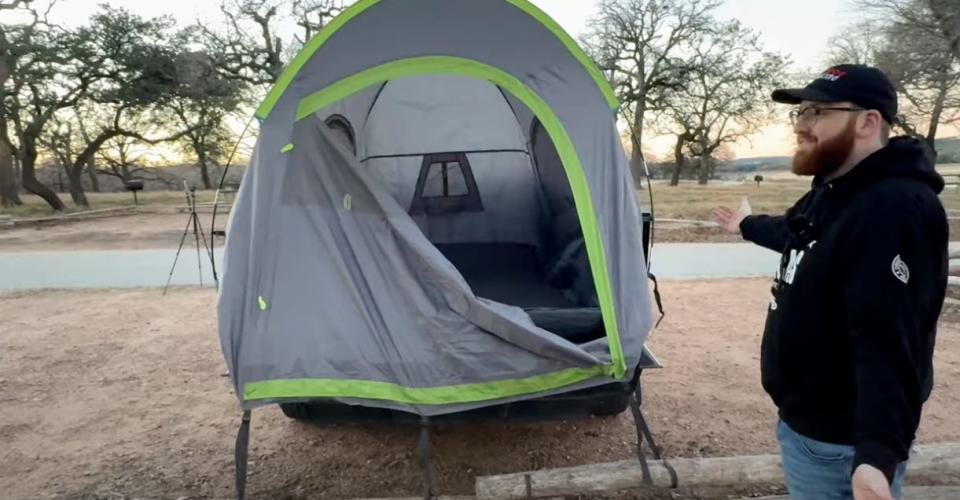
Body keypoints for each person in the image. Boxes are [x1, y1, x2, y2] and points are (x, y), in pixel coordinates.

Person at [712, 64, 948, 500]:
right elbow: (797, 233)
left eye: (818, 111)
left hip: (841, 446)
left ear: (868, 121)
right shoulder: (835, 189)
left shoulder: (894, 207)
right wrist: (746, 225)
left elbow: (893, 339)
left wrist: (876, 455)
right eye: (800, 113)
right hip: (806, 427)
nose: (802, 125)